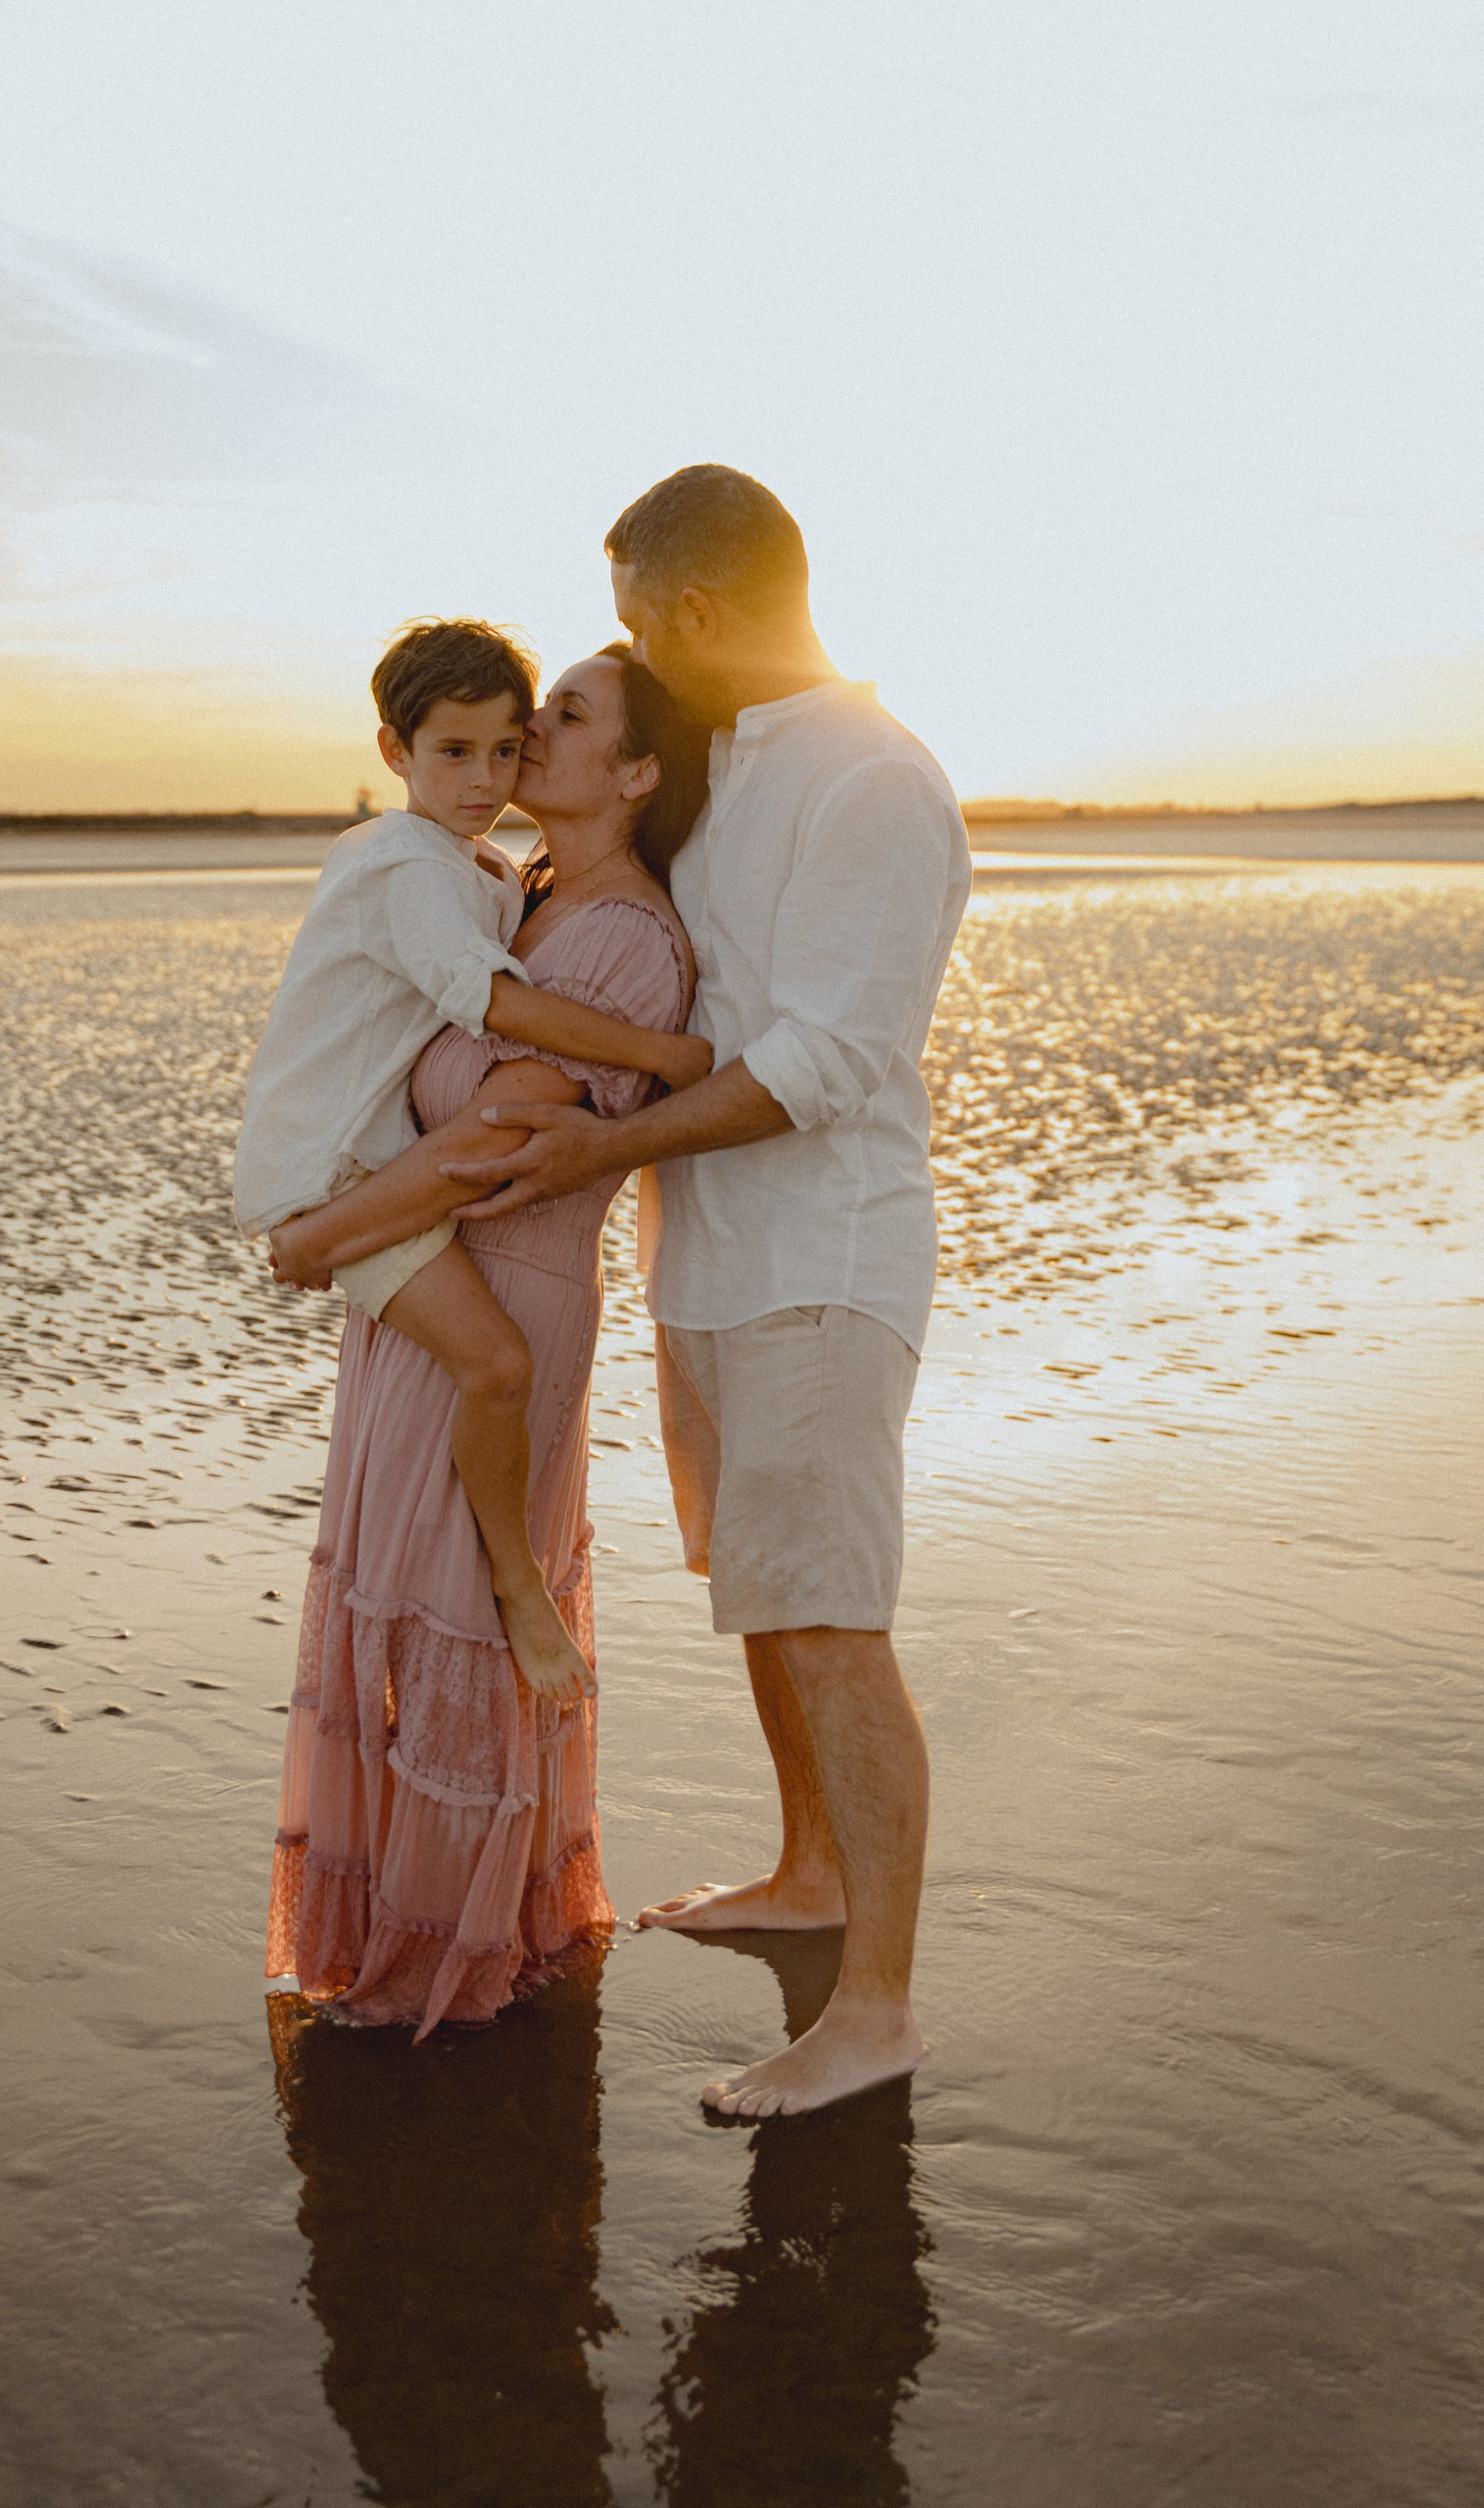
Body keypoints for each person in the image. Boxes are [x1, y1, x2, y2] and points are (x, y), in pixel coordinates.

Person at [441, 466, 973, 2117]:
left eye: (633, 618)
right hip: (713, 1262)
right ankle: (808, 1872)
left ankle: (875, 2009)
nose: (626, 649)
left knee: (831, 1619)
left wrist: (605, 1149)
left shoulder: (873, 778)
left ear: (690, 610)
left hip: (824, 1261)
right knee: (763, 1593)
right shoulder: (723, 770)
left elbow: (826, 1059)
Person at [263, 646, 705, 2038]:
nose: (524, 745)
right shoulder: (513, 892)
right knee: (407, 1618)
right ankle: (415, 1928)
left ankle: (450, 1957)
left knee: (462, 1617)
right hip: (427, 1277)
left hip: (499, 1292)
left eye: (559, 720)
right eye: (510, 729)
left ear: (637, 772)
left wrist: (316, 1241)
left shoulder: (623, 937)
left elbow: (501, 1132)